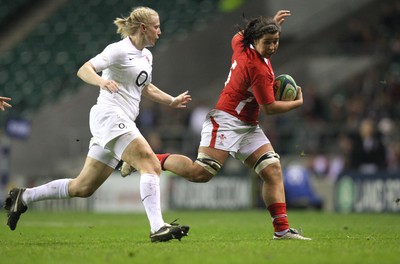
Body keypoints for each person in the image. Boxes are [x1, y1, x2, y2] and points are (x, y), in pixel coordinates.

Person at [3, 6, 191, 243]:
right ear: (143, 28)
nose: (160, 31)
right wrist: (102, 82)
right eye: (156, 27)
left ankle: (25, 197)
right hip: (110, 116)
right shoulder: (119, 50)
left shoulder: (146, 56)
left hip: (118, 122)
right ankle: (157, 227)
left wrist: (171, 100)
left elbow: (145, 87)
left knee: (83, 187)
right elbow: (85, 69)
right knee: (150, 164)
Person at [121, 10, 311, 240]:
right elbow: (269, 108)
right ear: (256, 40)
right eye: (267, 42)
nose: (272, 47)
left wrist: (271, 24)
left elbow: (243, 34)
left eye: (276, 41)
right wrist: (296, 103)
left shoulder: (241, 43)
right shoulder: (258, 69)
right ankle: (149, 159)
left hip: (248, 125)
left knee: (272, 169)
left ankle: (281, 230)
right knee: (200, 173)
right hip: (226, 121)